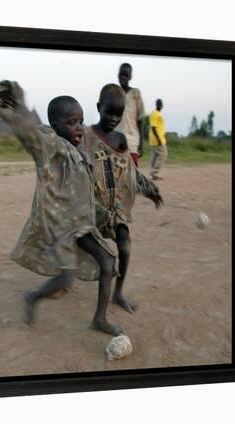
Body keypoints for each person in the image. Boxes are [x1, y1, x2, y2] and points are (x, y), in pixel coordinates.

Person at [0, 80, 123, 336]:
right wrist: (17, 109)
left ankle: (100, 319)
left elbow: (85, 194)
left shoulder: (80, 152)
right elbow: (31, 134)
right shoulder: (51, 148)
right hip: (61, 228)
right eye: (71, 122)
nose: (79, 128)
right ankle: (33, 297)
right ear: (55, 126)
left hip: (82, 225)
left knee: (108, 262)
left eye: (81, 121)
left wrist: (105, 216)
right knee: (66, 278)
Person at [84, 84, 163, 313]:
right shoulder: (86, 136)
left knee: (125, 246)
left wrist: (149, 189)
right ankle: (63, 277)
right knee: (75, 244)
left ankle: (118, 292)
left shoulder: (120, 139)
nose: (113, 118)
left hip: (114, 206)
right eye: (109, 112)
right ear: (99, 108)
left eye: (118, 114)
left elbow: (130, 172)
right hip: (91, 206)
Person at [115, 63, 146, 166]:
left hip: (132, 141)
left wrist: (141, 144)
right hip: (115, 140)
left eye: (126, 75)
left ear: (130, 77)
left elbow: (140, 119)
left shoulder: (135, 94)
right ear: (118, 75)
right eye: (121, 74)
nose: (123, 77)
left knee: (133, 175)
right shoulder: (114, 92)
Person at [149, 99, 168, 180]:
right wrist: (159, 139)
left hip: (157, 138)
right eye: (159, 104)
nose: (161, 105)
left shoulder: (158, 113)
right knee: (163, 154)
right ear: (156, 104)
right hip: (157, 139)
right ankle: (154, 172)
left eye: (161, 104)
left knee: (155, 155)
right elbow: (153, 127)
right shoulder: (155, 114)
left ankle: (153, 174)